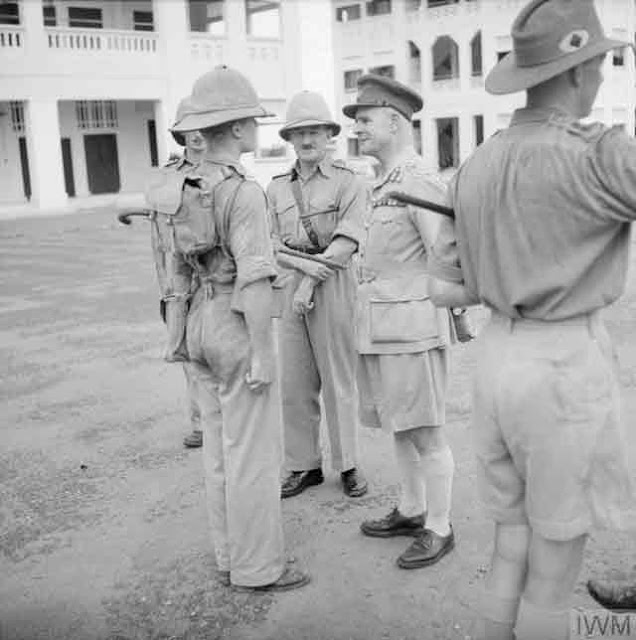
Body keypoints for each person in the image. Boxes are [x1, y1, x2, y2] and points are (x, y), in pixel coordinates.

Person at [427, 1, 635, 637]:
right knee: (555, 560)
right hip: (562, 365)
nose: (601, 77)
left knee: (510, 543)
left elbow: (446, 287)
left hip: (496, 361)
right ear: (577, 73)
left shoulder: (477, 164)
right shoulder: (601, 154)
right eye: (599, 64)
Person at [165, 65, 310, 591]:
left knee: (219, 452)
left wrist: (179, 336)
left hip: (199, 321)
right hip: (234, 321)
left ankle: (229, 557)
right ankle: (258, 569)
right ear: (238, 128)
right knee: (252, 454)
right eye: (251, 119)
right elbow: (253, 279)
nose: (255, 126)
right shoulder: (243, 193)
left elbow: (176, 268)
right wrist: (263, 353)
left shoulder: (184, 185)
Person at [343, 75, 456, 569]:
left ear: (394, 121)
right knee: (399, 425)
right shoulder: (382, 184)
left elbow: (446, 257)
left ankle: (440, 525)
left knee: (426, 431)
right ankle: (412, 509)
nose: (357, 131)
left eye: (364, 121)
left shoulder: (418, 180)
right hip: (381, 328)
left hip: (412, 328)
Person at [267, 91, 368, 499]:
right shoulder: (274, 189)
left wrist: (312, 278)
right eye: (299, 133)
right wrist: (300, 271)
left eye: (314, 131)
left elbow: (347, 240)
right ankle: (303, 464)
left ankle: (348, 465)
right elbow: (268, 243)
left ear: (330, 135)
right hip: (291, 281)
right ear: (290, 139)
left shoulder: (349, 181)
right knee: (294, 383)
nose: (307, 140)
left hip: (334, 282)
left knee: (338, 379)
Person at [153, 99, 207, 450]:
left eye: (203, 126)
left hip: (216, 275)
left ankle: (225, 419)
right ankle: (200, 423)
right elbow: (160, 237)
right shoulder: (169, 175)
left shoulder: (225, 170)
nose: (197, 136)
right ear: (180, 133)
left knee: (222, 348)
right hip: (181, 277)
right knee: (187, 347)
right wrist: (168, 287)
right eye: (189, 129)